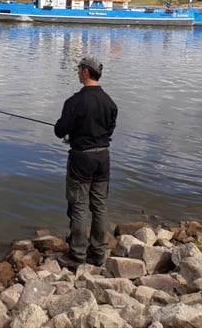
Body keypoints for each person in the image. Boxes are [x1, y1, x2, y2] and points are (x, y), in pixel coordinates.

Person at [54, 55, 118, 267]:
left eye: (79, 68)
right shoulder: (109, 102)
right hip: (103, 157)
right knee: (99, 204)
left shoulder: (74, 102)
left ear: (85, 72)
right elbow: (110, 130)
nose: (78, 72)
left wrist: (67, 130)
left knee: (79, 205)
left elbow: (60, 130)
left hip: (81, 158)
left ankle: (78, 254)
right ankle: (99, 252)